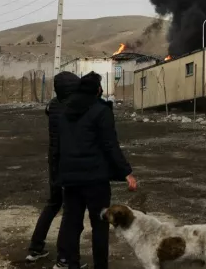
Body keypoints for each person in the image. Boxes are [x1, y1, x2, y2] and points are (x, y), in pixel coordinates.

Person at [55, 71, 137, 269]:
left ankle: (73, 264)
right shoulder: (101, 110)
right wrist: (126, 172)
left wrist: (59, 174)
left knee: (72, 224)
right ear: (97, 90)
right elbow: (110, 144)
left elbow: (59, 145)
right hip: (95, 180)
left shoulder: (65, 111)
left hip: (71, 178)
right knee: (100, 226)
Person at [25, 71, 82, 263]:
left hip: (55, 161)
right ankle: (64, 258)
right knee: (70, 211)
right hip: (67, 163)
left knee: (53, 203)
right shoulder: (71, 108)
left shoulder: (54, 105)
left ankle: (35, 247)